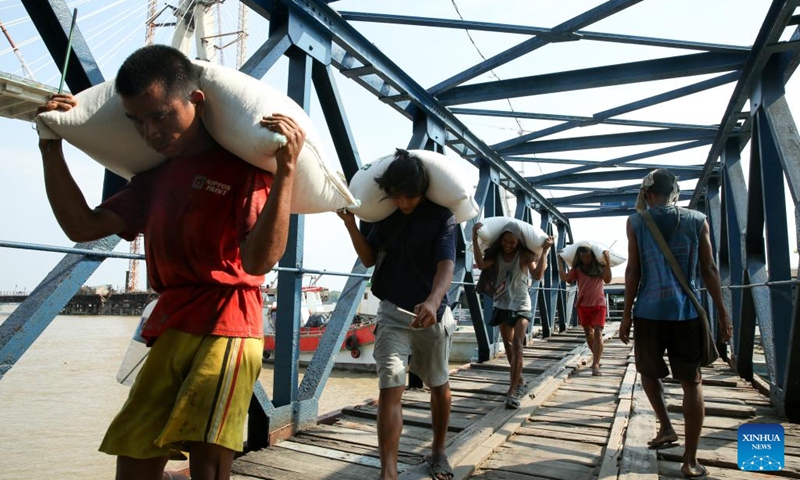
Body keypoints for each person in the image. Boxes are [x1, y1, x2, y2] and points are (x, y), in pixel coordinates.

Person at [36, 45, 305, 480]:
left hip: (228, 322)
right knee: (135, 443)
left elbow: (258, 262)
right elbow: (81, 226)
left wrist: (287, 171)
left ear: (194, 102)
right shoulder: (153, 179)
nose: (150, 132)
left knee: (209, 456)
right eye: (137, 121)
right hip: (170, 321)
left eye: (160, 115)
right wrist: (51, 147)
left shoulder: (243, 170)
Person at [338, 149, 456, 480]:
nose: (404, 203)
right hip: (392, 313)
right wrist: (351, 224)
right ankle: (387, 473)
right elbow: (369, 259)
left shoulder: (440, 216)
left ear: (422, 190)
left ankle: (438, 452)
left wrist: (433, 301)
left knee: (438, 384)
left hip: (432, 314)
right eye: (398, 197)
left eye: (411, 197)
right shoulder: (385, 214)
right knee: (390, 385)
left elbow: (446, 264)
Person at [620, 169, 732, 479]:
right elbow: (708, 268)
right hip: (687, 314)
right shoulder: (697, 220)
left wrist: (626, 313)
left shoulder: (636, 222)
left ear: (647, 194)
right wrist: (721, 311)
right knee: (692, 383)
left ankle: (666, 426)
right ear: (675, 193)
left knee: (648, 372)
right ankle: (690, 460)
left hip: (649, 312)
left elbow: (633, 271)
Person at [472, 221, 553, 408]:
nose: (508, 245)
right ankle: (519, 378)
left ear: (519, 242)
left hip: (521, 304)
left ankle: (512, 390)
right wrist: (474, 239)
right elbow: (482, 264)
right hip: (502, 303)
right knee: (508, 345)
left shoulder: (524, 255)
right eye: (505, 241)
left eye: (513, 242)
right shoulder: (497, 255)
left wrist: (545, 252)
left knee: (517, 344)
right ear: (501, 241)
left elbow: (538, 276)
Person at [557, 244, 612, 376]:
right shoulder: (577, 269)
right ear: (579, 258)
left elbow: (608, 280)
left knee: (598, 332)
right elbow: (565, 278)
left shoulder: (599, 267)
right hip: (583, 305)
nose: (586, 259)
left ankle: (596, 364)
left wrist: (608, 262)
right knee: (589, 334)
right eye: (583, 257)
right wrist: (559, 261)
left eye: (588, 256)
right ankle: (596, 357)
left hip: (599, 304)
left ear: (592, 256)